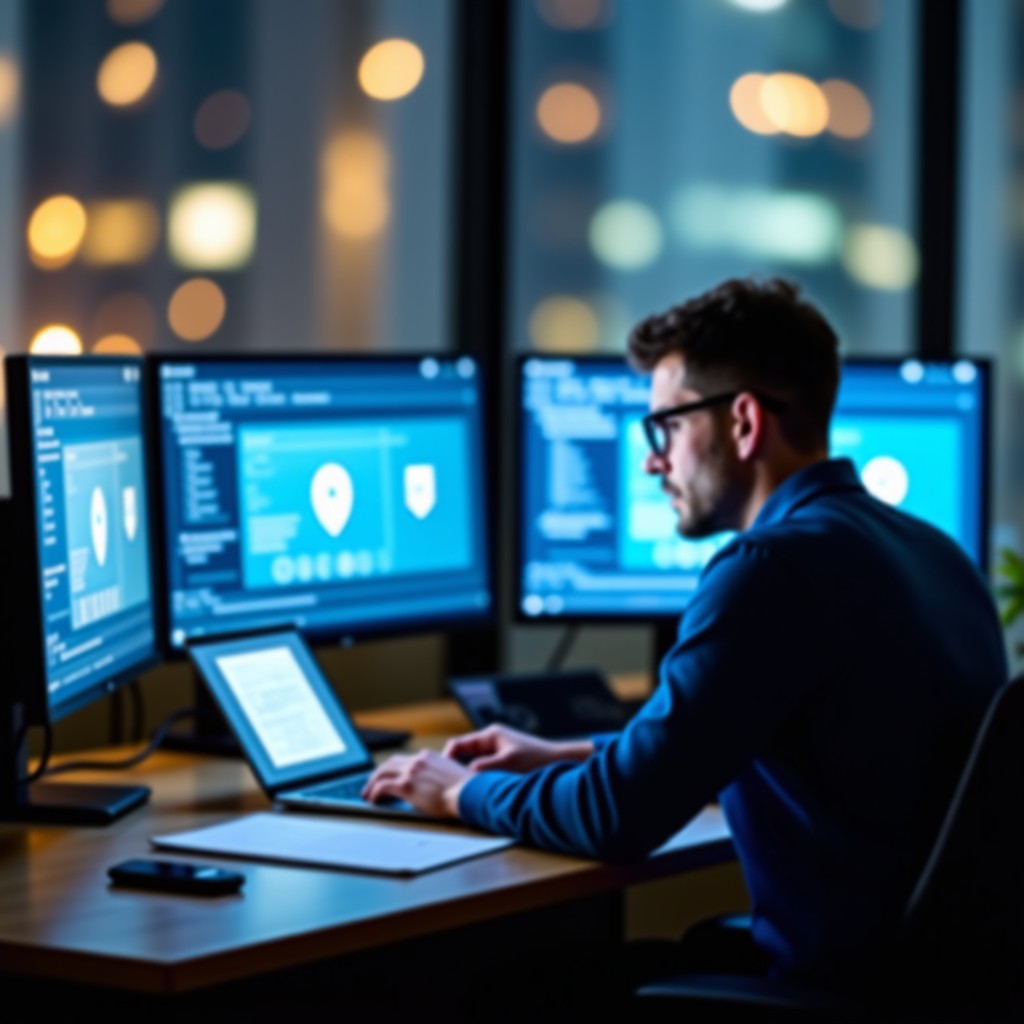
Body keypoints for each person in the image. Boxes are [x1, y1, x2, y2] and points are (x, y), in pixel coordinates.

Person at [363, 276, 1008, 992]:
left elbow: (615, 818)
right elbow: (784, 738)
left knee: (503, 988)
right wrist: (570, 750)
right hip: (925, 980)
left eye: (666, 425)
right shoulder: (937, 553)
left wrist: (456, 794)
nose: (651, 458)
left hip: (832, 985)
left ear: (742, 421)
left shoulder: (768, 569)